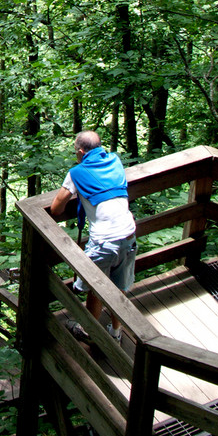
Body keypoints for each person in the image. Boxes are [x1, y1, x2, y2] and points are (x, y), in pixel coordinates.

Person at [49, 130, 137, 342]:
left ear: (80, 152)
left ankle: (89, 332)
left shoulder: (77, 173)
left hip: (105, 241)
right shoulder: (115, 161)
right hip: (129, 233)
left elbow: (56, 209)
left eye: (75, 153)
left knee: (96, 287)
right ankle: (115, 333)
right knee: (120, 288)